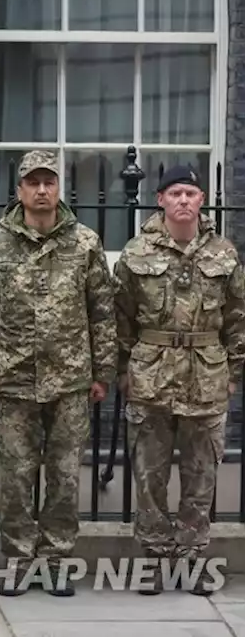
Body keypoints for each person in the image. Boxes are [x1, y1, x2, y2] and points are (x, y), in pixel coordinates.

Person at [0, 149, 116, 597]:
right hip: (13, 381)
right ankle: (17, 560)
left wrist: (102, 372)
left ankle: (54, 560)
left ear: (59, 187)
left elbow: (102, 313)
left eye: (49, 181)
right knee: (15, 477)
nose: (42, 189)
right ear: (20, 190)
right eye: (33, 182)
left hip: (70, 382)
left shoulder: (85, 243)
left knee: (65, 477)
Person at [114, 164, 246, 595]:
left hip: (206, 377)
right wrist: (122, 371)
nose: (184, 200)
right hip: (150, 377)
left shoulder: (224, 254)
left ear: (202, 199)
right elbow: (119, 319)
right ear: (161, 200)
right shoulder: (136, 253)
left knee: (200, 474)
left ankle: (191, 558)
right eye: (176, 194)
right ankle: (153, 559)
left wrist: (233, 374)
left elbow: (238, 319)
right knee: (150, 475)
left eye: (191, 193)